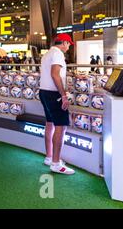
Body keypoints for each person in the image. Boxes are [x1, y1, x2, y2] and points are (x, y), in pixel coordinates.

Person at [39, 33, 75, 175]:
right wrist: (64, 95)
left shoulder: (47, 54)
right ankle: (56, 163)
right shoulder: (58, 54)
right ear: (64, 42)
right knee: (60, 127)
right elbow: (55, 74)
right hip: (54, 94)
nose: (68, 47)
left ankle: (49, 157)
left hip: (44, 92)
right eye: (68, 44)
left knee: (50, 124)